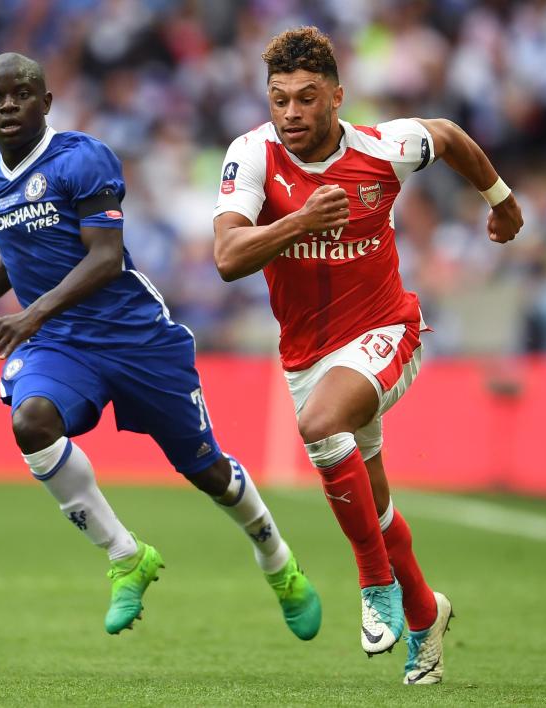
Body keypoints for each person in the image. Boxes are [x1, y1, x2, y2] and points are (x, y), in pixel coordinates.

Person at [0, 53, 321, 640]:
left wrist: (28, 315)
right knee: (31, 423)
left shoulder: (82, 159)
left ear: (47, 102)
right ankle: (125, 555)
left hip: (136, 338)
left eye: (21, 94)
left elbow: (105, 258)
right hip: (63, 343)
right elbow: (20, 251)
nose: (8, 105)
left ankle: (277, 561)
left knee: (206, 470)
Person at [212, 27, 523, 685]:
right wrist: (300, 221)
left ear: (336, 97)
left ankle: (374, 581)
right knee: (375, 508)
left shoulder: (385, 147)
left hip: (387, 332)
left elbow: (450, 136)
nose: (291, 113)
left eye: (306, 98)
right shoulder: (253, 156)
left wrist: (500, 201)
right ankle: (424, 617)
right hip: (307, 355)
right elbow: (227, 258)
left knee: (321, 427)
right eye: (279, 100)